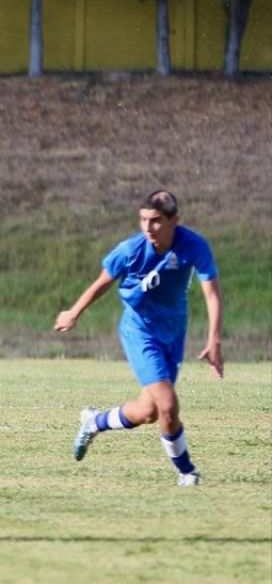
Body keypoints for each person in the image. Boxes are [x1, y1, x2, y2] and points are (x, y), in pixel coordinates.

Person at [55, 189, 222, 487]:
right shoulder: (131, 249)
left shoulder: (194, 245)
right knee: (168, 405)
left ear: (174, 221)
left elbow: (211, 293)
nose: (147, 227)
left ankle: (94, 422)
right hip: (140, 332)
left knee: (149, 412)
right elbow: (102, 283)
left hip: (174, 332)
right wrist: (74, 312)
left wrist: (214, 340)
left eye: (156, 220)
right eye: (143, 219)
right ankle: (187, 472)